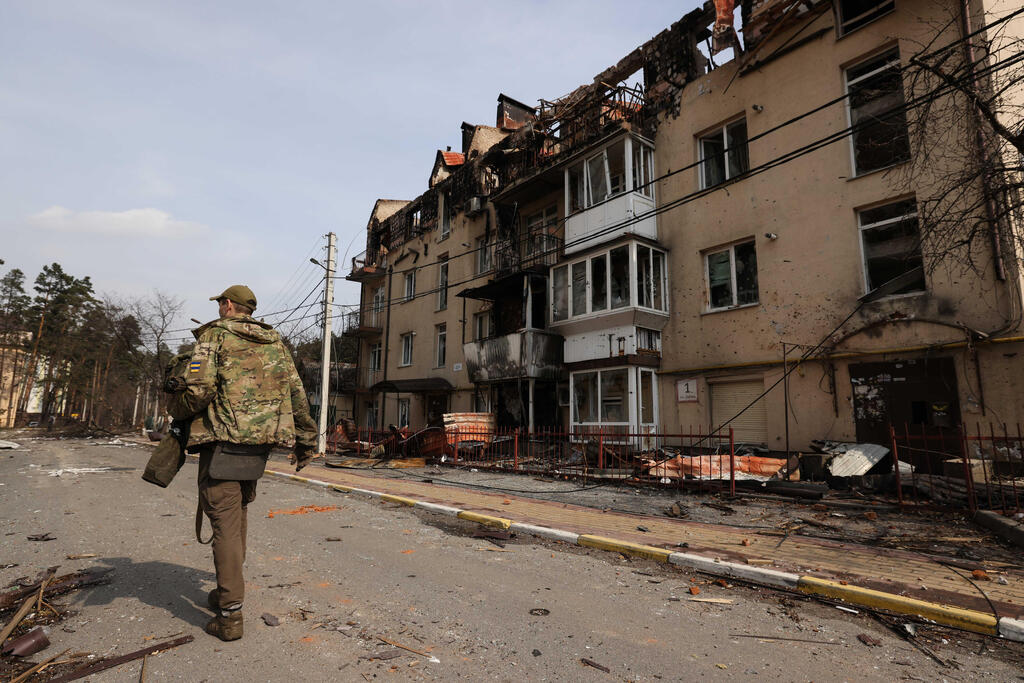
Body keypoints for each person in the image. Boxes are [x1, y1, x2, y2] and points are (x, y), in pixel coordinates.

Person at [169, 285, 318, 641]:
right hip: (258, 447)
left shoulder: (213, 337)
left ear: (229, 305)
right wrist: (306, 441)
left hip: (221, 443)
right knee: (236, 520)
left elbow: (199, 389)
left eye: (221, 302)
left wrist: (177, 414)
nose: (220, 308)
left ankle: (230, 615)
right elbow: (297, 395)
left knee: (223, 524)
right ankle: (225, 591)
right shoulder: (275, 342)